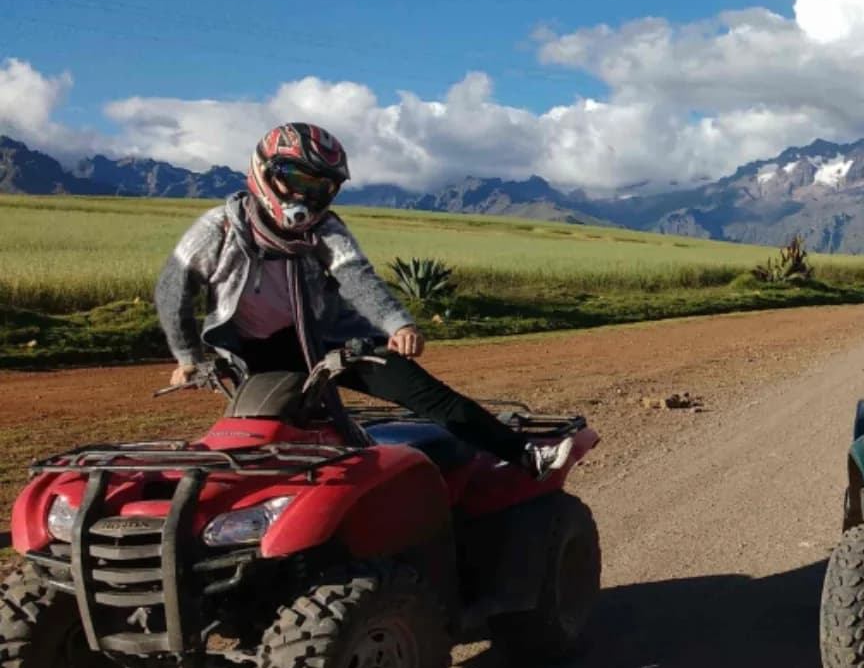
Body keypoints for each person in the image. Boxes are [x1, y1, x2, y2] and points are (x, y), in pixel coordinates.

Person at [155, 122, 571, 476]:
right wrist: (188, 357)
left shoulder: (325, 229)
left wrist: (397, 324)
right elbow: (174, 289)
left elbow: (356, 278)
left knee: (426, 394)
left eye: (321, 187)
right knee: (276, 433)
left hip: (329, 337)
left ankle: (524, 454)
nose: (306, 197)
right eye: (297, 179)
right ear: (264, 170)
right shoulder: (218, 230)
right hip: (259, 351)